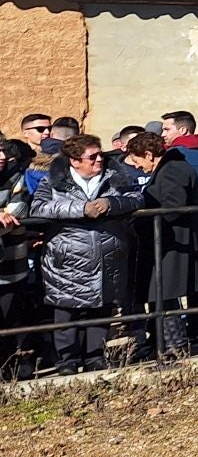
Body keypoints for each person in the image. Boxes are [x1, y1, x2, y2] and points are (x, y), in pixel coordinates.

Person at [30, 133, 142, 374]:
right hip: (67, 257)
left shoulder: (115, 177)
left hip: (107, 255)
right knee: (65, 311)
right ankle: (67, 360)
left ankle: (95, 356)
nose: (99, 160)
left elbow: (136, 198)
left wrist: (111, 204)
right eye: (92, 157)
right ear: (74, 161)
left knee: (100, 308)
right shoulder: (53, 181)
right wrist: (80, 209)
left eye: (99, 154)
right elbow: (38, 207)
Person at [120, 130, 198, 360]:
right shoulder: (171, 167)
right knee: (161, 295)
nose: (138, 167)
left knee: (164, 294)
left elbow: (174, 204)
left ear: (148, 155)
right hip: (164, 242)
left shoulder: (172, 170)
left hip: (170, 242)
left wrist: (148, 218)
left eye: (137, 161)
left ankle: (174, 348)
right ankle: (164, 345)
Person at [1, 138, 39, 374]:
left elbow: (18, 211)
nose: (3, 157)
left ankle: (6, 371)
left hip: (11, 266)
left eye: (3, 151)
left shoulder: (16, 178)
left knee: (8, 322)